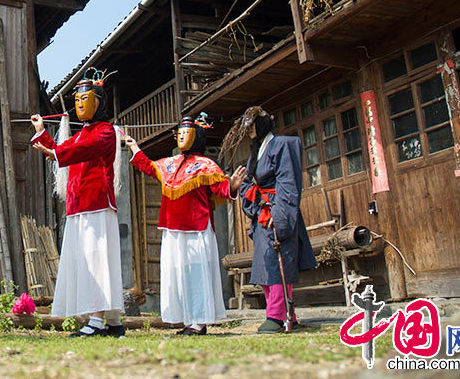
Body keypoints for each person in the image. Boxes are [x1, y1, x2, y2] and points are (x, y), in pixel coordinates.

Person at [124, 113, 243, 335]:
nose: (181, 136)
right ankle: (187, 320)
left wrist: (232, 186)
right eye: (179, 133)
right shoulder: (169, 164)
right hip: (172, 229)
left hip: (197, 229)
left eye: (186, 133)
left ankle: (199, 322)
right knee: (177, 275)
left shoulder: (206, 165)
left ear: (196, 136)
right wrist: (134, 147)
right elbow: (148, 167)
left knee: (197, 275)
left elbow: (220, 189)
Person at [30, 68, 124, 337]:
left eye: (86, 99)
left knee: (96, 260)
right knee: (89, 260)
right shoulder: (82, 133)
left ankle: (97, 320)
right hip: (79, 204)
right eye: (78, 100)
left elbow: (81, 150)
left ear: (99, 102)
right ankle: (112, 321)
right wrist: (41, 132)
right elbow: (65, 150)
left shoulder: (105, 132)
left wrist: (56, 152)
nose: (80, 104)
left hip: (96, 203)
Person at [222, 106, 316, 333]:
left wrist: (280, 214)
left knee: (278, 263)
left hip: (276, 210)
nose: (249, 131)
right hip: (262, 212)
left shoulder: (284, 145)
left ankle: (277, 315)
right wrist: (242, 188)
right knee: (265, 265)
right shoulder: (256, 152)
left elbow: (288, 182)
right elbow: (249, 183)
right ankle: (287, 315)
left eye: (252, 125)